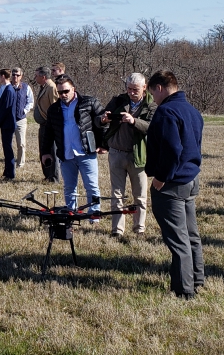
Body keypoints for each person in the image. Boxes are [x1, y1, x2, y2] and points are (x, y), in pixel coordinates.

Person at [145, 70, 205, 299]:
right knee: (191, 235)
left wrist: (161, 177)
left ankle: (184, 289)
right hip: (191, 179)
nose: (153, 99)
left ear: (160, 88)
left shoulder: (166, 112)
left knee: (178, 239)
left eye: (153, 93)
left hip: (171, 183)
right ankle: (197, 278)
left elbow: (172, 150)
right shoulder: (193, 111)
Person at [98, 73, 156, 236]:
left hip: (138, 155)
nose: (131, 92)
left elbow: (152, 127)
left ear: (144, 88)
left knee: (140, 195)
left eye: (135, 89)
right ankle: (117, 229)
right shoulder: (118, 100)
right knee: (117, 194)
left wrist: (134, 121)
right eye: (129, 89)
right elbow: (99, 119)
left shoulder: (152, 104)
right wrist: (103, 119)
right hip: (116, 153)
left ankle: (139, 228)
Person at [41, 74, 106, 215]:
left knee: (91, 186)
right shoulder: (54, 109)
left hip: (86, 152)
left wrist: (103, 144)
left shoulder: (89, 102)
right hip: (66, 154)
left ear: (73, 89)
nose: (63, 95)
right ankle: (71, 213)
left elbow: (103, 123)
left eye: (66, 91)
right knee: (69, 187)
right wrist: (45, 152)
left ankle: (94, 214)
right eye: (60, 92)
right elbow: (48, 133)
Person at [33, 66, 61, 183]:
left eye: (36, 75)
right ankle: (47, 175)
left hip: (50, 125)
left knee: (52, 151)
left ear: (43, 77)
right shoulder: (43, 87)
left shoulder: (51, 87)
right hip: (43, 125)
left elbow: (55, 107)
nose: (35, 78)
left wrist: (53, 125)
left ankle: (53, 177)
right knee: (44, 150)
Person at [0, 69, 16, 180]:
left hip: (8, 123)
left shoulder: (9, 90)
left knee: (8, 148)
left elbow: (6, 109)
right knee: (6, 148)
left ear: (2, 76)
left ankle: (10, 173)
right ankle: (7, 171)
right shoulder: (3, 88)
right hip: (5, 123)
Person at [10, 67, 35, 170]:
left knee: (21, 143)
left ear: (21, 76)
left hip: (20, 119)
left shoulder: (26, 87)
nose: (15, 77)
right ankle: (9, 163)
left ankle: (20, 164)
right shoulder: (7, 87)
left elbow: (31, 101)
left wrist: (24, 111)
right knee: (8, 143)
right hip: (8, 120)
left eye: (17, 75)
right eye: (13, 75)